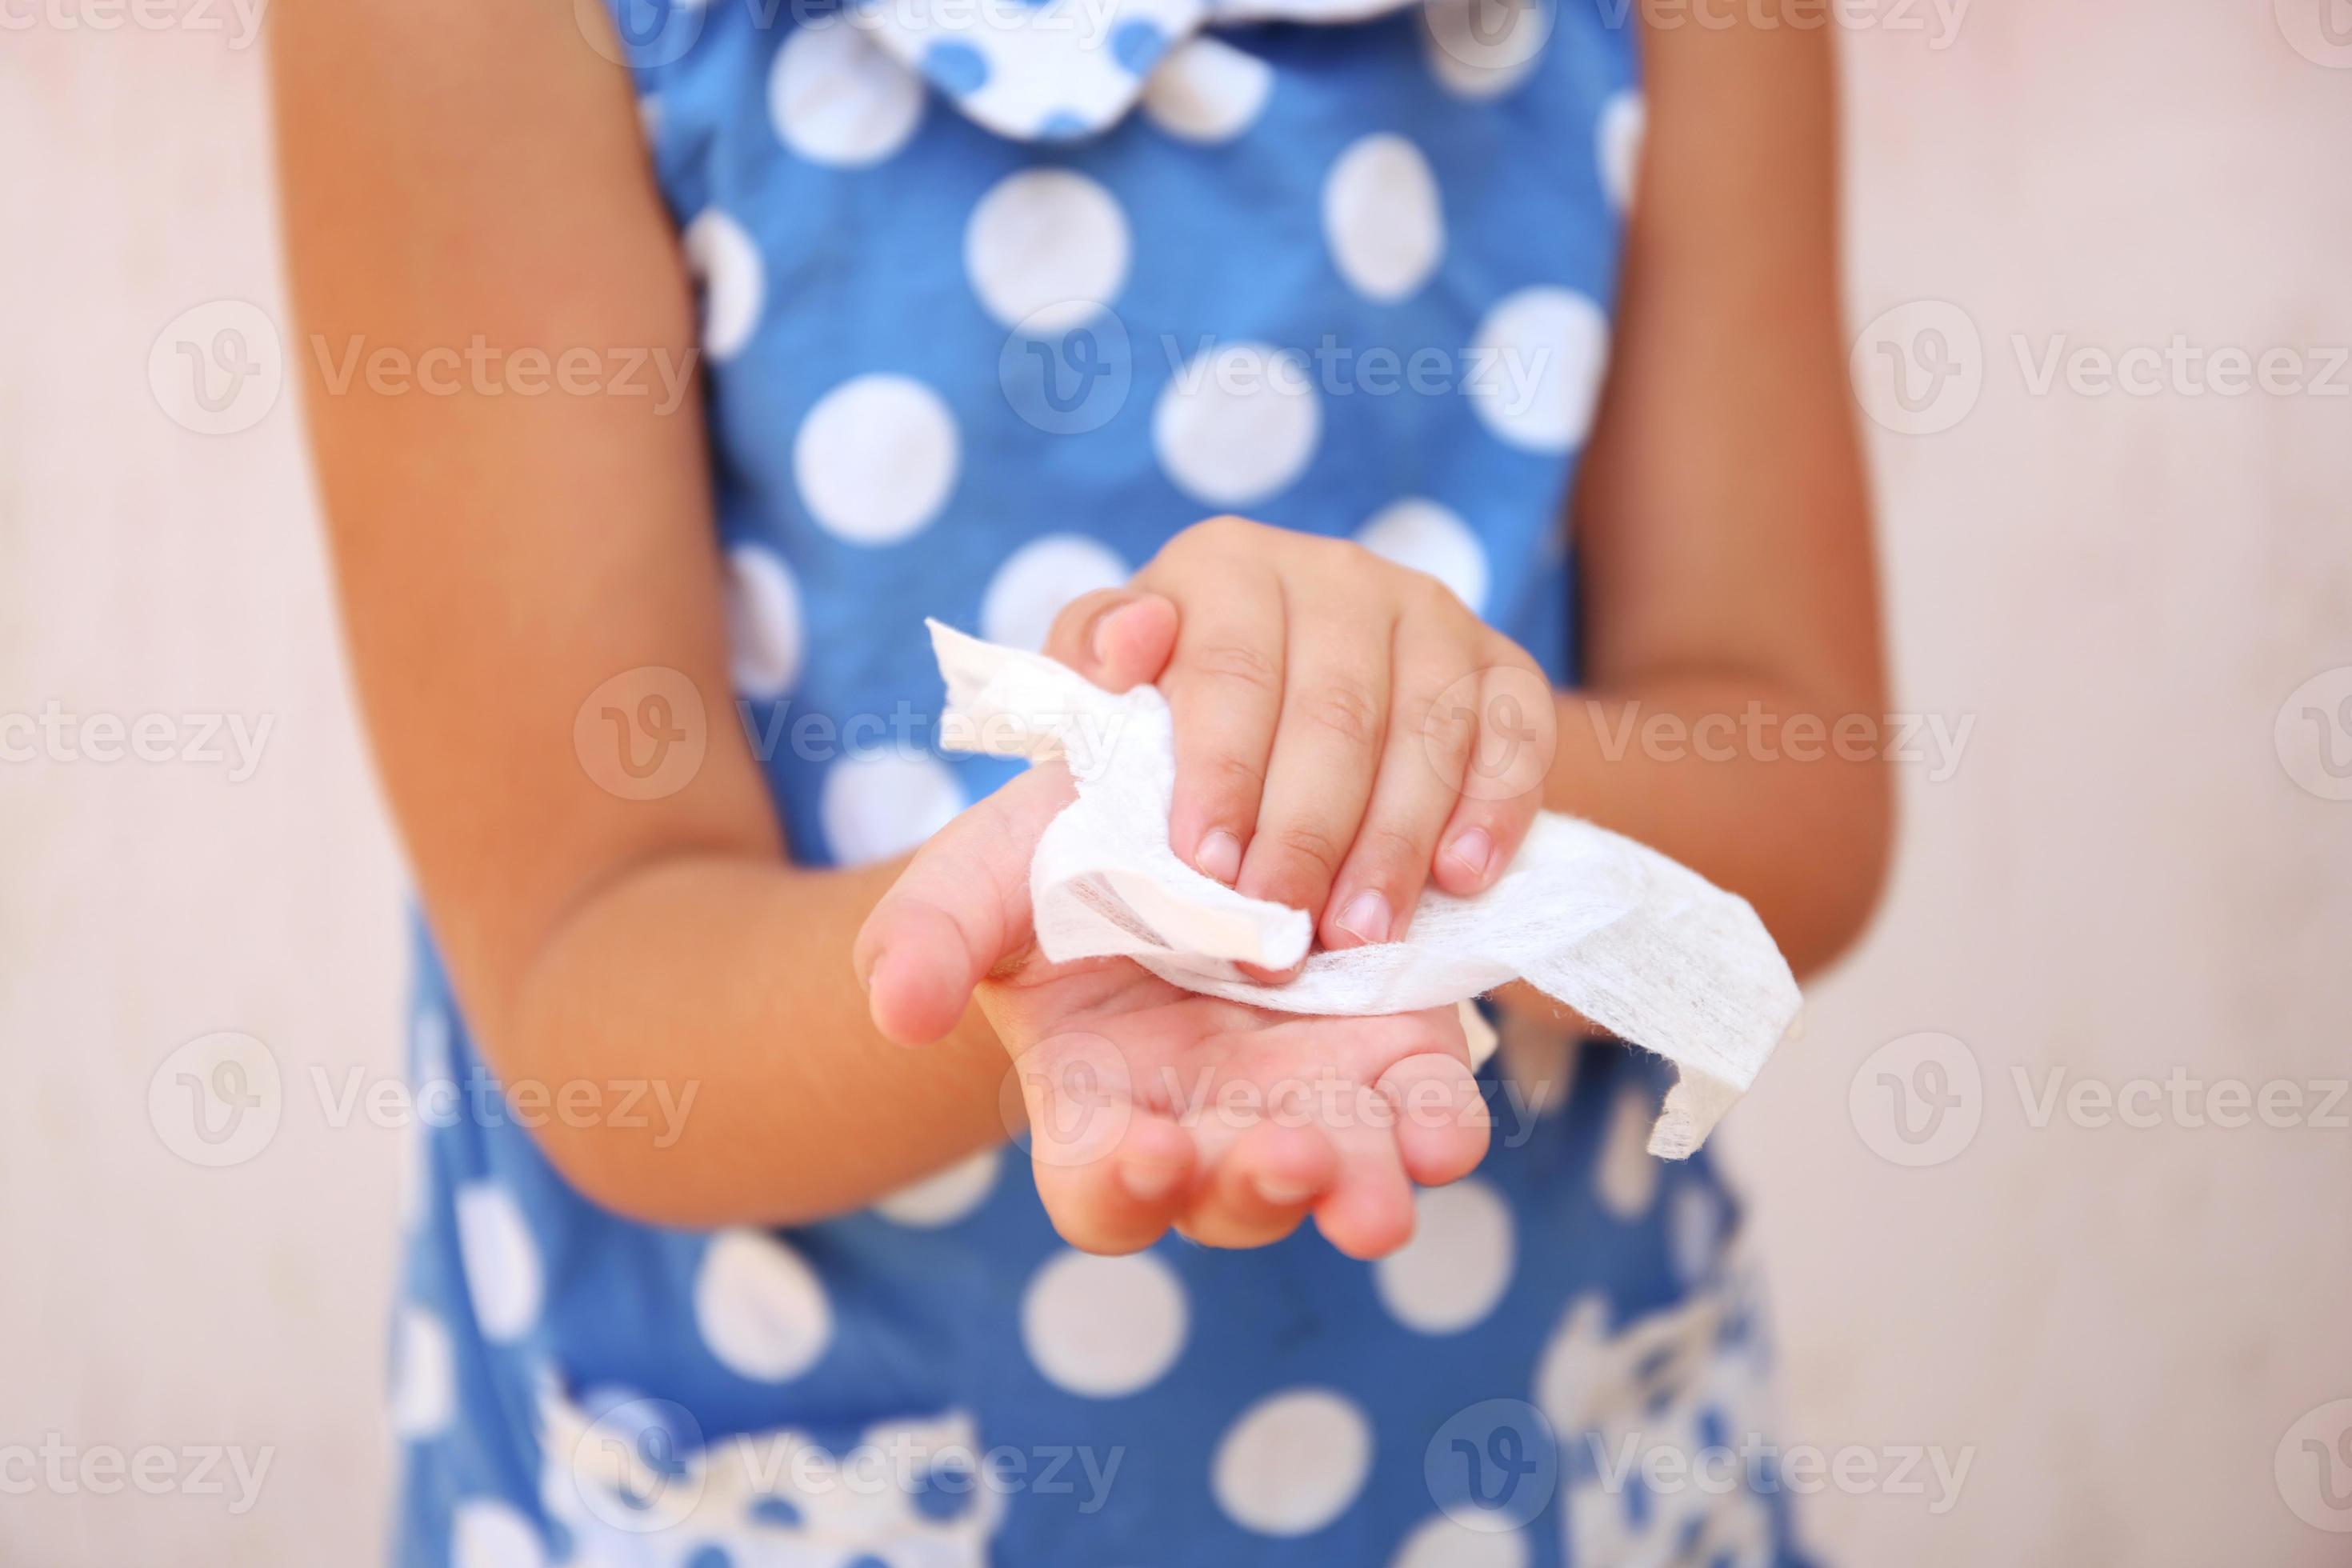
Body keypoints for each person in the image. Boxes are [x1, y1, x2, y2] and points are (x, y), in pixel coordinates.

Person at [272, 0, 1889, 1560]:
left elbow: (1800, 788)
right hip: (780, 1454)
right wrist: (1075, 905)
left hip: (1538, 1448)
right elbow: (589, 954)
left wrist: (1418, 766)